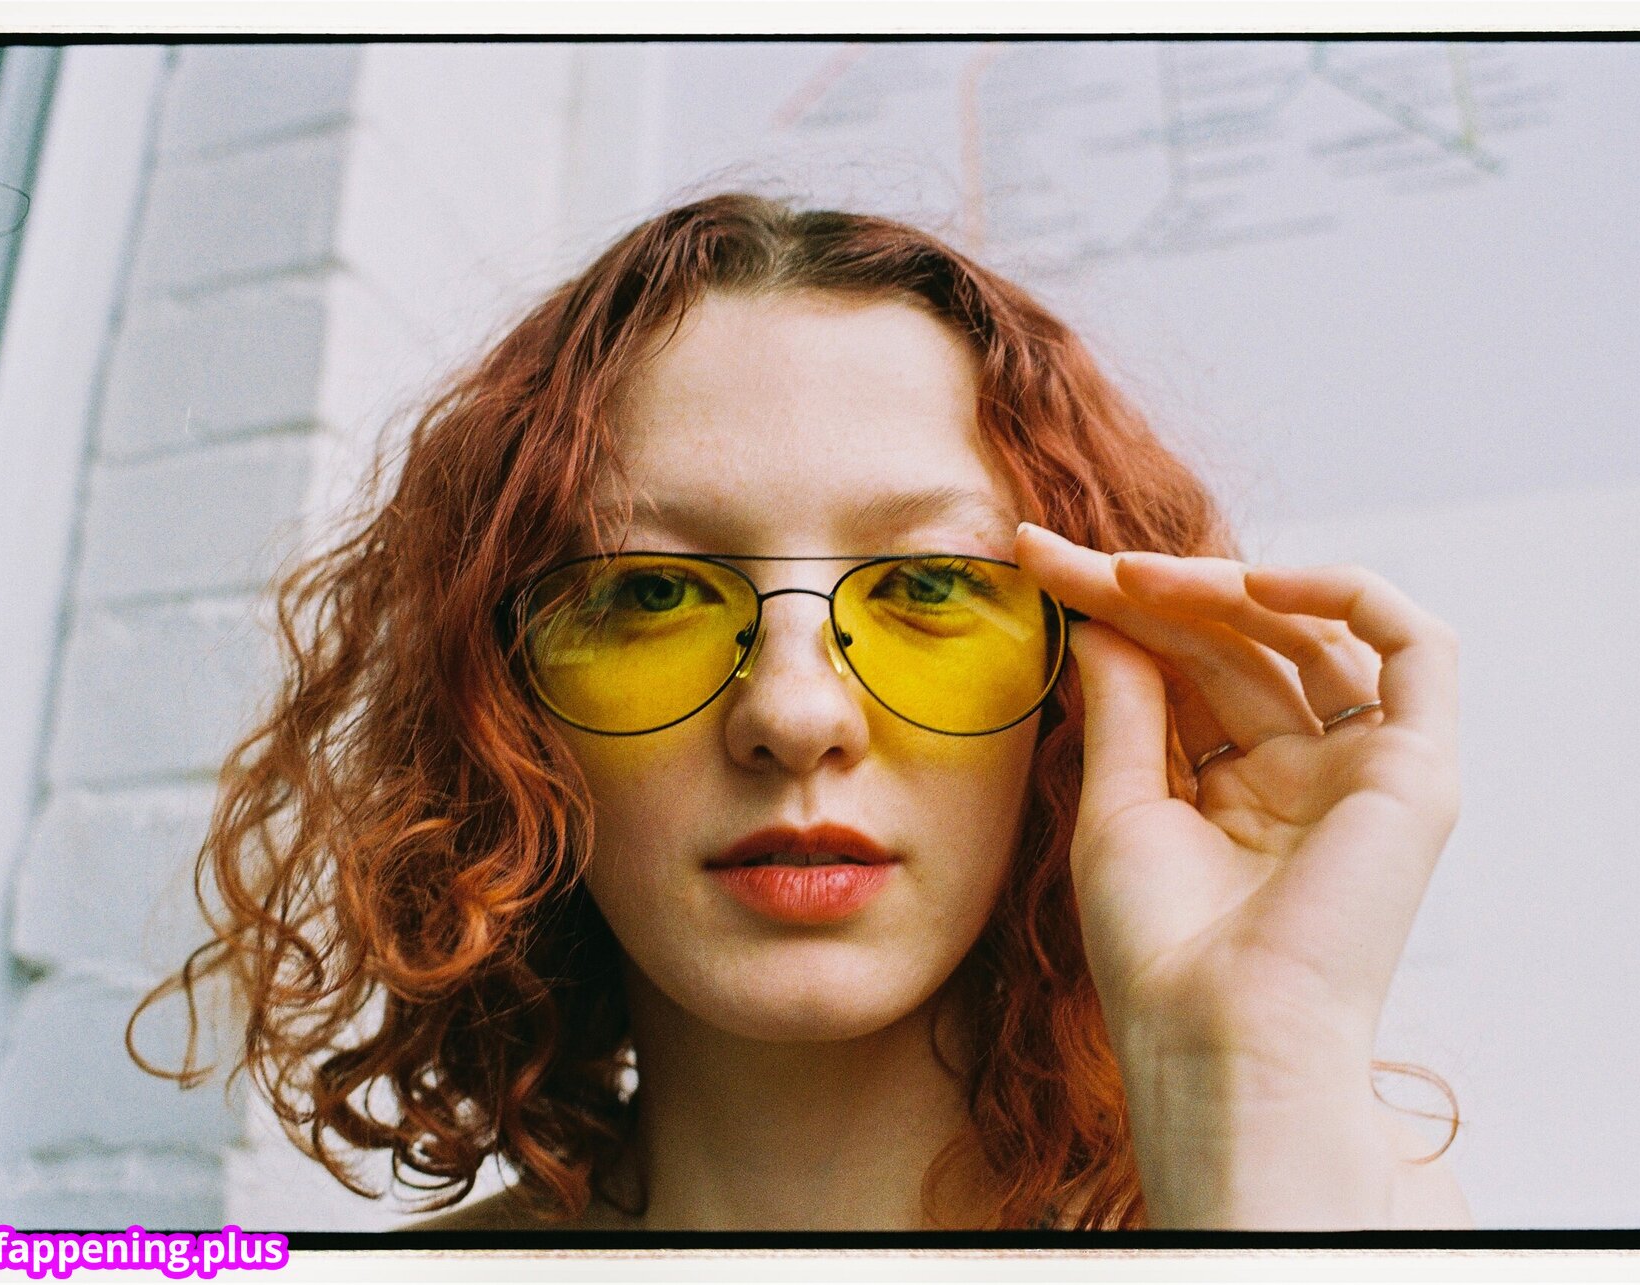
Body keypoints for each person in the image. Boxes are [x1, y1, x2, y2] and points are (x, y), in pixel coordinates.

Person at [133, 192, 1470, 1231]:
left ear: (1086, 679)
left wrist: (1254, 1089)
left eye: (933, 585)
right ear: (505, 709)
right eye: (651, 591)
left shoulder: (1329, 1215)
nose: (791, 712)